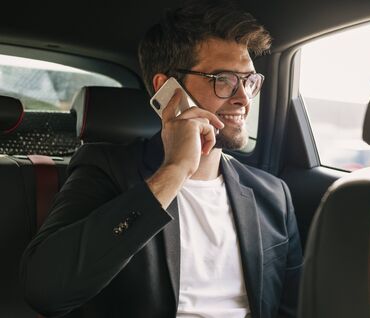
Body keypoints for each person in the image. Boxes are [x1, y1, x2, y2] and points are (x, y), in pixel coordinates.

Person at [20, 1, 303, 317]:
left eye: (249, 81)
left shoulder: (273, 195)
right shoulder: (106, 169)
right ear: (167, 89)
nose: (243, 98)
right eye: (223, 79)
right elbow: (46, 291)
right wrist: (175, 170)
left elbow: (292, 309)